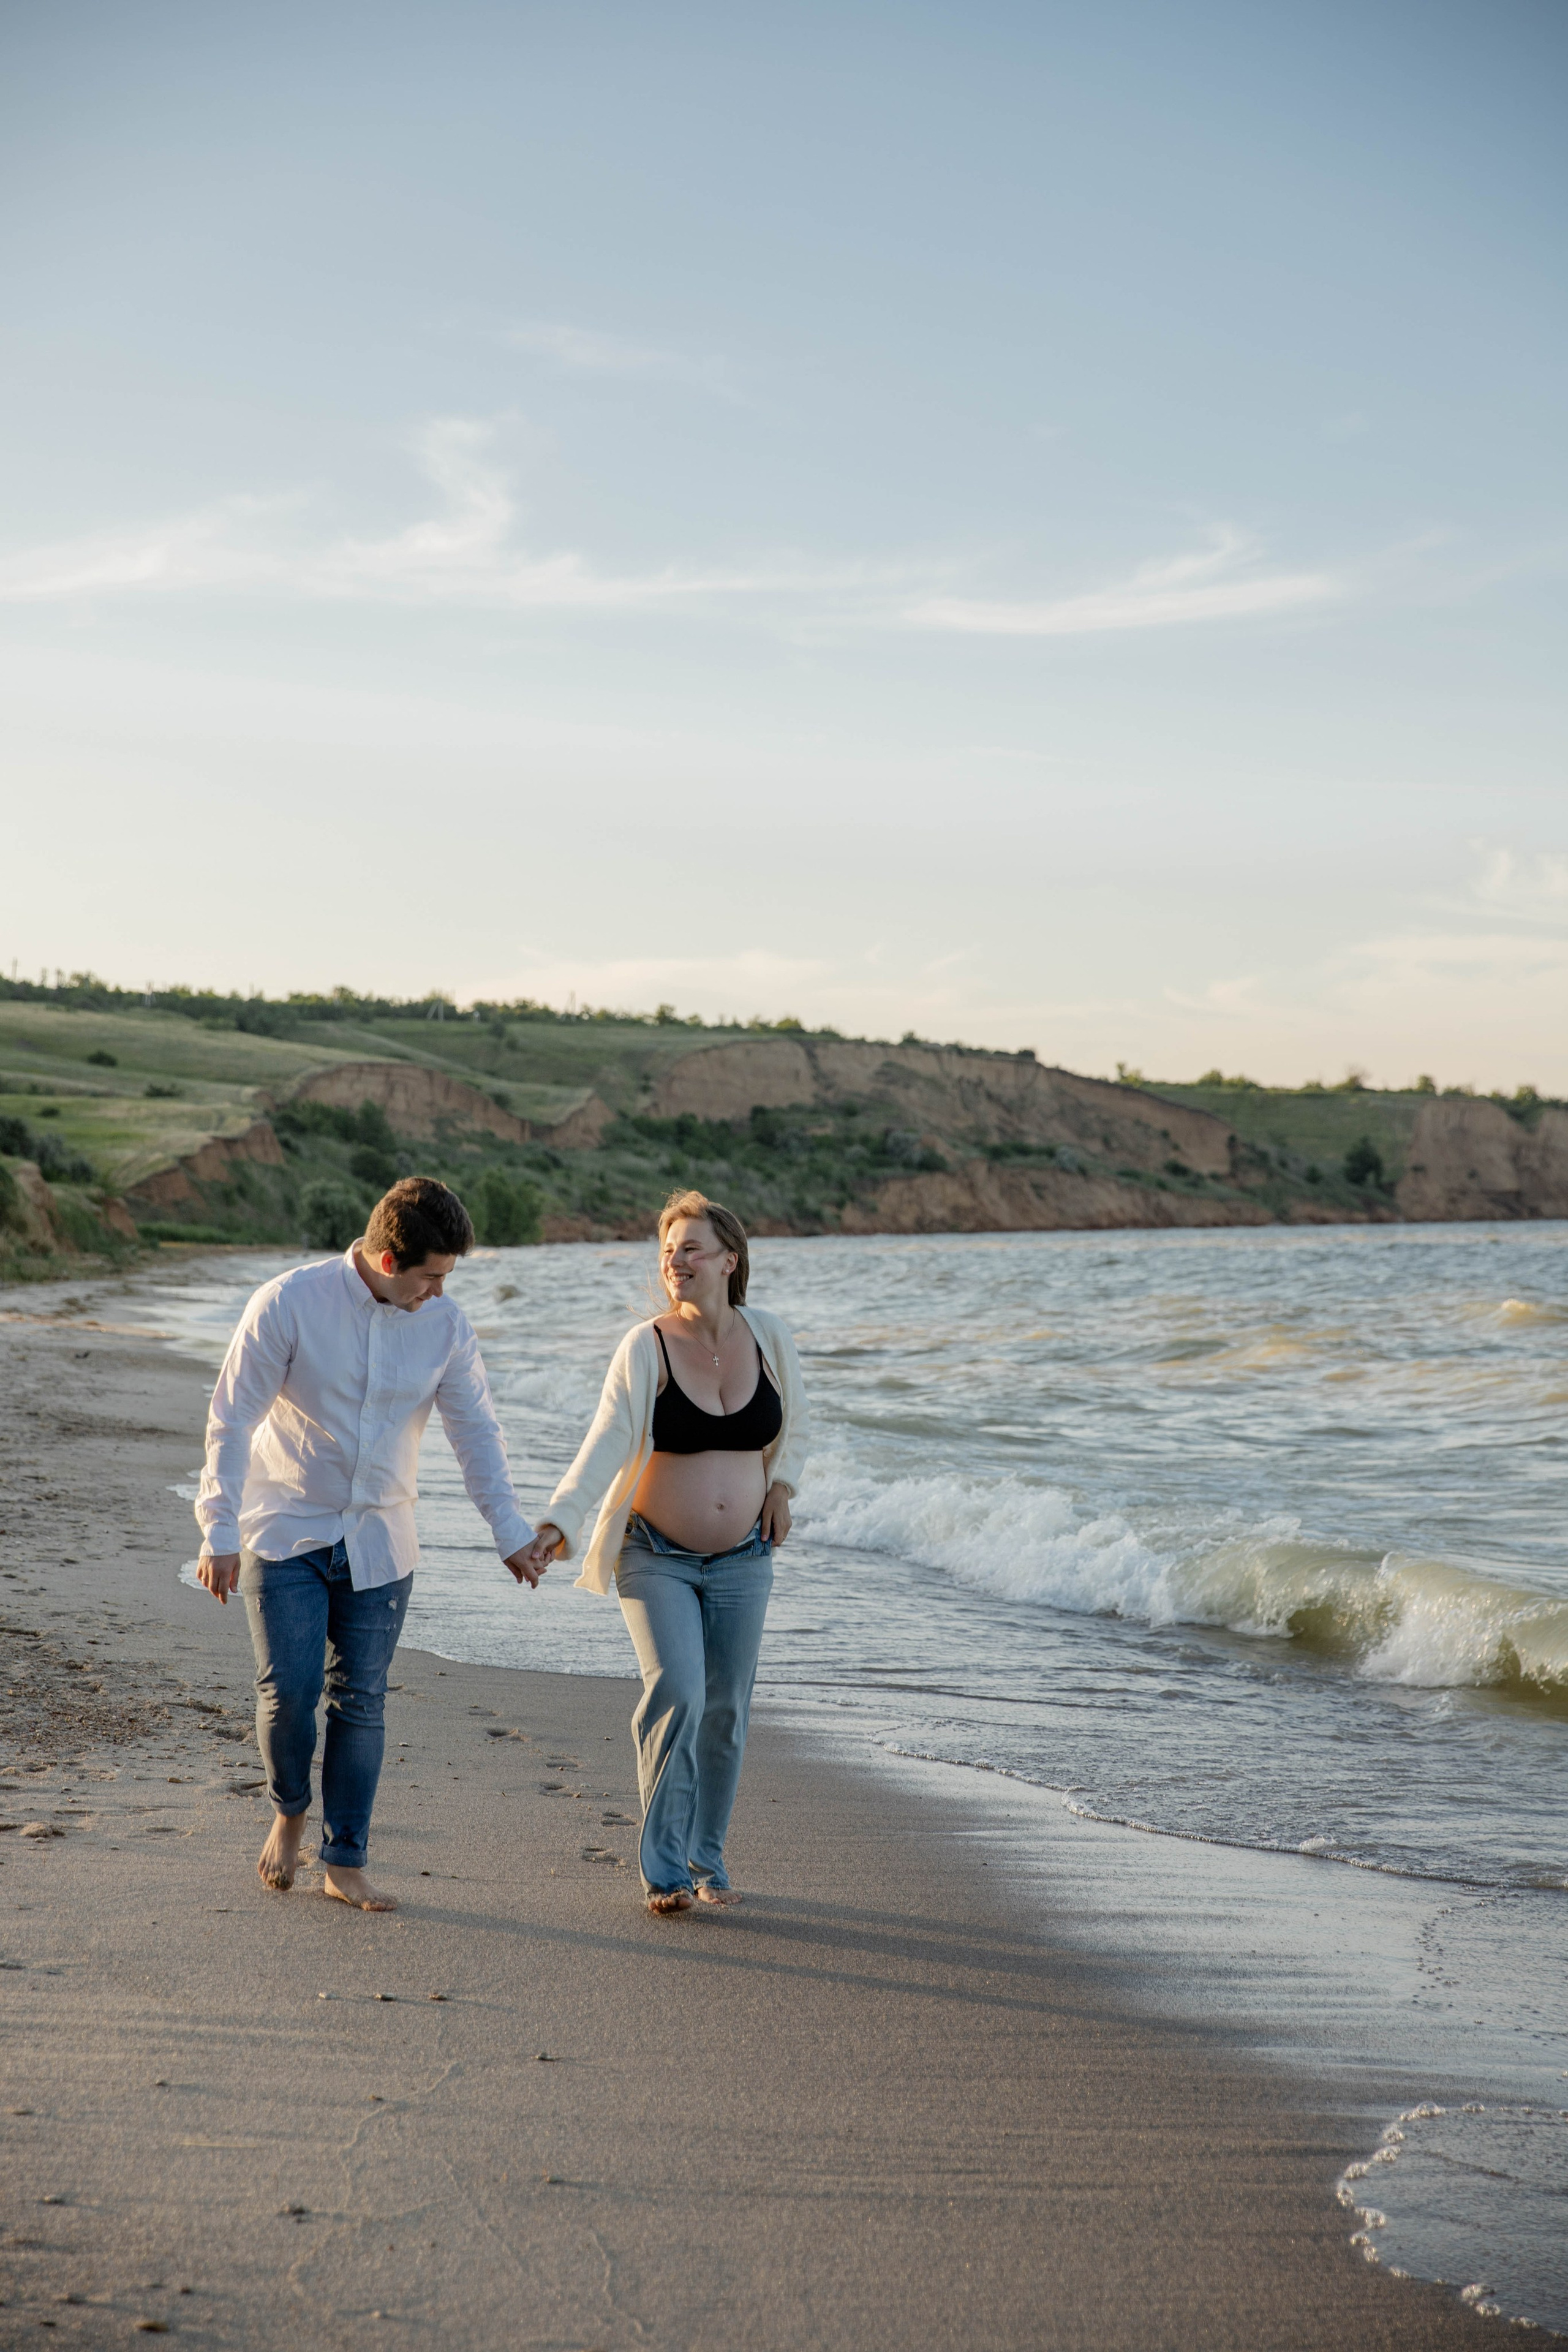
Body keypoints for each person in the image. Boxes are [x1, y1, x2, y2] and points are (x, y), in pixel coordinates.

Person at [194, 1175, 544, 1912]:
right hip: (286, 1530)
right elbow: (231, 1420)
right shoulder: (289, 1303)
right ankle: (290, 1808)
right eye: (431, 1277)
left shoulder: (445, 1328)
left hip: (383, 1542)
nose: (439, 1294)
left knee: (361, 1703)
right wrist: (218, 1531)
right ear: (390, 1262)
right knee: (289, 1693)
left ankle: (344, 1858)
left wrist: (509, 1532)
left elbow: (476, 1434)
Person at [522, 1191, 807, 1915]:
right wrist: (560, 1522)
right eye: (667, 1251)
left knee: (727, 1711)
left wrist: (783, 1489)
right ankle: (664, 1870)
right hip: (655, 1553)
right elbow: (607, 1441)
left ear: (728, 1260)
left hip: (746, 1555)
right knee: (678, 1692)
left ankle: (707, 1861)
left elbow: (798, 1421)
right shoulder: (644, 1345)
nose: (674, 1263)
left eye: (690, 1249)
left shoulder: (768, 1335)